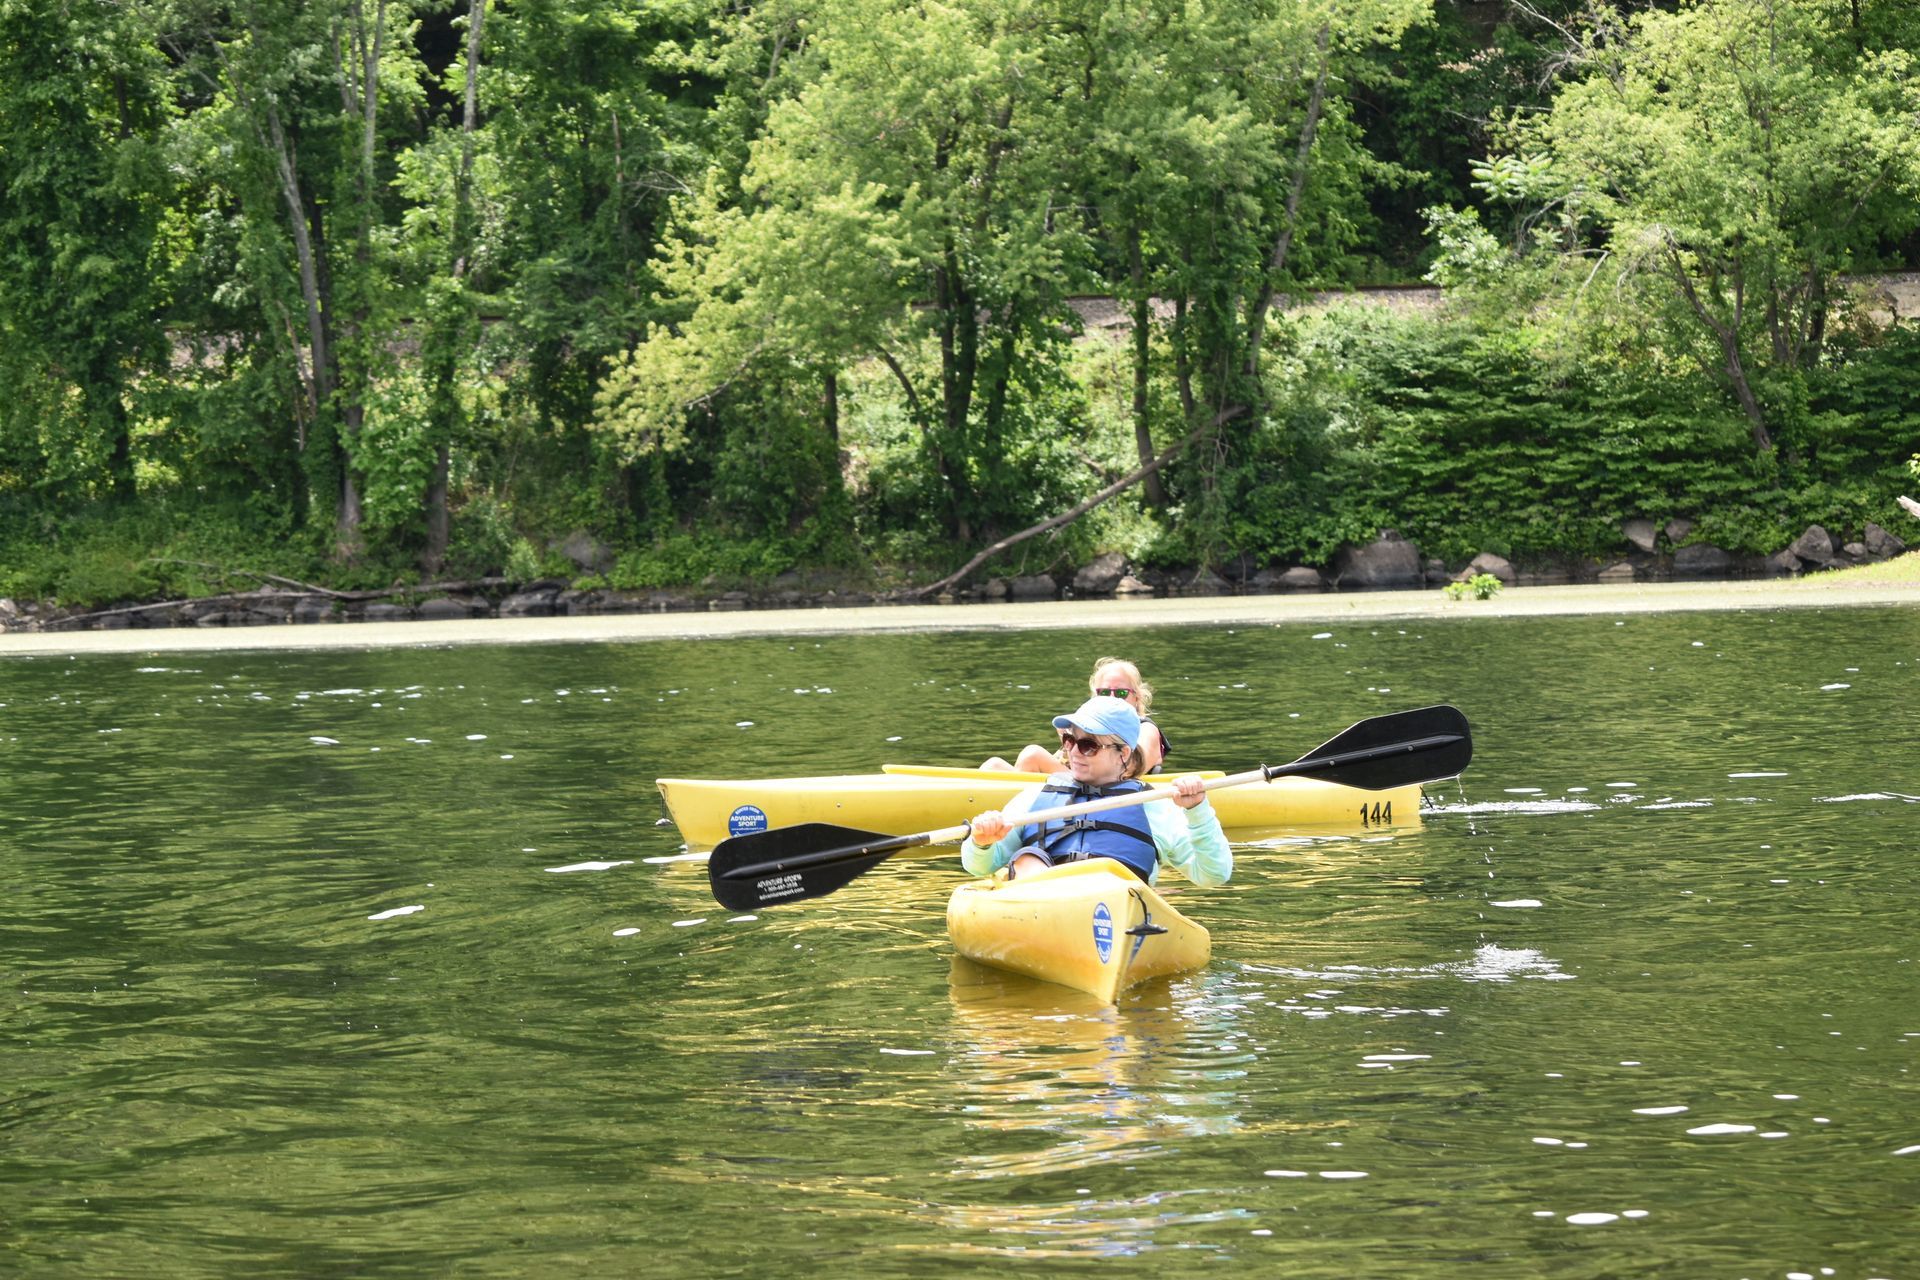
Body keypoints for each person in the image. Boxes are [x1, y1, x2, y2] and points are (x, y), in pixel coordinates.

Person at [962, 695, 1230, 888]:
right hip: (1040, 911)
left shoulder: (1154, 805)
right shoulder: (1035, 797)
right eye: (1070, 740)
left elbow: (1213, 875)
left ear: (1123, 753)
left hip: (1118, 910)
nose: (1074, 752)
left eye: (1088, 745)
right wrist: (982, 842)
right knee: (1028, 858)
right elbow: (979, 866)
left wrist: (1197, 811)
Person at [982, 656, 1171, 774]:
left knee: (1033, 755)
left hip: (1103, 789)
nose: (1112, 698)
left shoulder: (1146, 729)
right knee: (994, 765)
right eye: (1104, 693)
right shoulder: (1088, 724)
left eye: (1121, 693)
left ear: (1136, 697)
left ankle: (1010, 813)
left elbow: (1131, 772)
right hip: (1075, 783)